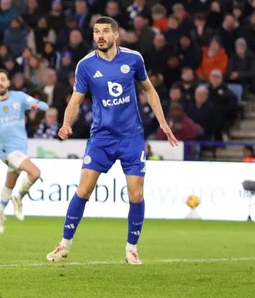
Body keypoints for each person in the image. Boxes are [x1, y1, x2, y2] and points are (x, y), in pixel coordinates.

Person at [46, 17, 178, 265]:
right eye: (97, 32)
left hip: (131, 137)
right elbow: (75, 101)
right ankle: (64, 244)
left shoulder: (133, 59)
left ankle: (132, 248)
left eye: (106, 31)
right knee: (83, 190)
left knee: (136, 194)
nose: (101, 36)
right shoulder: (85, 65)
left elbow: (148, 89)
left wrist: (163, 122)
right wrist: (66, 124)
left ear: (116, 35)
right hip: (101, 138)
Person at [0, 69, 48, 233]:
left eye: (3, 79)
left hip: (21, 149)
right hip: (6, 150)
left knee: (9, 183)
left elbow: (45, 106)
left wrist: (37, 105)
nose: (0, 83)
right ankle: (18, 198)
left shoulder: (19, 97)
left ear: (8, 82)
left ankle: (0, 210)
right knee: (35, 173)